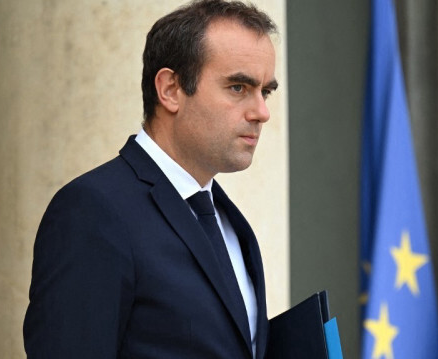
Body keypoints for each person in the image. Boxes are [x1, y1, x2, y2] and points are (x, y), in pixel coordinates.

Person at [23, 1, 278, 358]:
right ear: (171, 89)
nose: (262, 112)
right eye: (238, 87)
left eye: (265, 91)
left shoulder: (230, 224)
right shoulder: (93, 211)